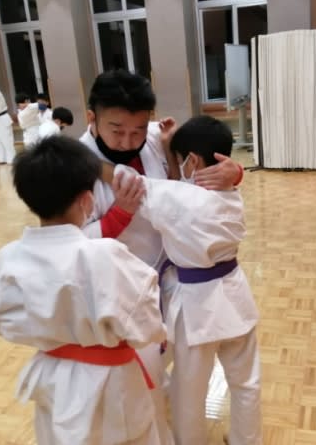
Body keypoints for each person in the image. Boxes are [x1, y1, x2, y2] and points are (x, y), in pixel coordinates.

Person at [80, 70, 243, 443]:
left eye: (137, 129)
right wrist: (119, 214)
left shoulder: (156, 136)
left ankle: (166, 401)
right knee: (140, 370)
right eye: (117, 130)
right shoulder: (74, 165)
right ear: (92, 118)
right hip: (121, 286)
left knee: (170, 355)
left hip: (171, 272)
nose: (129, 140)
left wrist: (234, 173)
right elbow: (73, 243)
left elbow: (202, 165)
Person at [0, 135, 167, 445]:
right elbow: (147, 325)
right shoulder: (103, 255)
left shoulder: (9, 257)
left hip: (51, 373)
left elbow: (6, 324)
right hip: (111, 379)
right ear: (86, 200)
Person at [106, 116, 261, 445]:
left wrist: (75, 159)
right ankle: (246, 440)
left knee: (188, 392)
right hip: (236, 295)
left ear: (191, 160)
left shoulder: (177, 200)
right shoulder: (231, 195)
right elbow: (182, 189)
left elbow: (127, 181)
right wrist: (171, 150)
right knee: (246, 381)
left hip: (197, 308)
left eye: (179, 161)